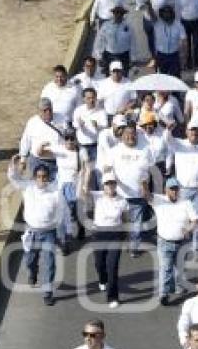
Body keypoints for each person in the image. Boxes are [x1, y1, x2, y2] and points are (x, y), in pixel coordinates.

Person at [7, 156, 64, 306]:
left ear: (48, 178)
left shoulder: (54, 193)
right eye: (38, 176)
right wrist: (13, 166)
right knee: (30, 259)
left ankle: (47, 292)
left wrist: (60, 230)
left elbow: (61, 212)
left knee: (49, 263)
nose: (41, 179)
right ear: (34, 177)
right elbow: (14, 179)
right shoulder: (28, 187)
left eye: (44, 177)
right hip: (32, 232)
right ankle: (33, 272)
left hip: (49, 233)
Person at [100, 122, 155, 257]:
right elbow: (106, 168)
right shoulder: (114, 151)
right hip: (119, 194)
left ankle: (133, 248)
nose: (130, 137)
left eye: (133, 134)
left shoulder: (146, 149)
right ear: (122, 136)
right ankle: (118, 243)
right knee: (120, 222)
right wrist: (107, 186)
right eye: (127, 134)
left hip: (138, 193)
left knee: (136, 225)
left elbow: (152, 170)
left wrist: (148, 189)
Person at [146, 177, 198, 305]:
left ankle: (178, 287)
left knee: (179, 268)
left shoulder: (186, 202)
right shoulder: (159, 200)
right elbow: (146, 196)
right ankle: (163, 294)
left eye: (176, 189)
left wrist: (189, 229)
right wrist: (144, 183)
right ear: (166, 190)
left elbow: (195, 220)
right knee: (166, 269)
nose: (174, 191)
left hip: (182, 242)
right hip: (165, 242)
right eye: (172, 189)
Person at [166, 121, 198, 256]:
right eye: (191, 130)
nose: (193, 133)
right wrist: (168, 130)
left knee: (197, 219)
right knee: (182, 217)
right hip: (182, 189)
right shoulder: (179, 144)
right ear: (186, 132)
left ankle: (196, 248)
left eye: (196, 131)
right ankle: (179, 245)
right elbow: (168, 139)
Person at [80, 171, 128, 308]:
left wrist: (126, 234)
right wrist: (86, 175)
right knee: (99, 263)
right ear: (103, 186)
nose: (110, 186)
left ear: (116, 185)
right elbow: (84, 192)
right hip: (99, 234)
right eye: (107, 184)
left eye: (112, 183)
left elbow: (125, 218)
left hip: (115, 235)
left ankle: (113, 297)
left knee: (112, 266)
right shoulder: (97, 197)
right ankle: (102, 279)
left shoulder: (122, 200)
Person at [37, 127, 89, 254]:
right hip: (60, 186)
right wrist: (42, 145)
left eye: (72, 138)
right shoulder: (59, 148)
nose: (70, 141)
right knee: (61, 214)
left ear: (76, 139)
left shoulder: (81, 151)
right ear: (64, 139)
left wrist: (85, 185)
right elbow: (40, 153)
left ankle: (79, 225)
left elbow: (87, 169)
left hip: (74, 185)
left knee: (73, 211)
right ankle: (64, 241)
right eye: (67, 138)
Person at [19, 97, 62, 181]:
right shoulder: (32, 122)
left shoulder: (62, 119)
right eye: (44, 110)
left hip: (55, 162)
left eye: (50, 109)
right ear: (39, 111)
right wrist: (23, 160)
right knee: (37, 187)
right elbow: (26, 141)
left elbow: (68, 138)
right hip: (37, 162)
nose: (48, 112)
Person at [136, 0, 171, 66]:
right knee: (151, 39)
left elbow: (169, 7)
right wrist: (146, 5)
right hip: (148, 20)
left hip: (160, 21)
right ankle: (153, 57)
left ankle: (162, 56)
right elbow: (138, 7)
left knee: (160, 39)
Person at [93, 4, 137, 75]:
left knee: (123, 78)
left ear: (123, 15)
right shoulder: (106, 26)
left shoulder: (128, 27)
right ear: (113, 14)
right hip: (109, 56)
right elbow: (100, 41)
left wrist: (133, 59)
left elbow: (133, 43)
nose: (119, 15)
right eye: (117, 13)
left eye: (121, 13)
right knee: (109, 79)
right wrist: (99, 56)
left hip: (124, 56)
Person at [73, 87, 107, 165]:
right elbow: (74, 125)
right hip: (82, 145)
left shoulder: (101, 111)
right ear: (84, 99)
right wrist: (79, 124)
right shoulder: (78, 110)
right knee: (83, 169)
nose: (91, 100)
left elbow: (105, 127)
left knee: (95, 169)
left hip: (96, 146)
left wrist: (97, 126)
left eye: (93, 98)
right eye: (88, 98)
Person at [153, 4, 187, 77]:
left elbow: (184, 41)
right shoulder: (157, 23)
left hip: (174, 55)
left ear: (172, 14)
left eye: (168, 13)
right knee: (162, 77)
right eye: (164, 13)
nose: (166, 15)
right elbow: (151, 15)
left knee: (176, 77)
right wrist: (149, 5)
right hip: (161, 55)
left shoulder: (178, 25)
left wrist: (184, 56)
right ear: (161, 14)